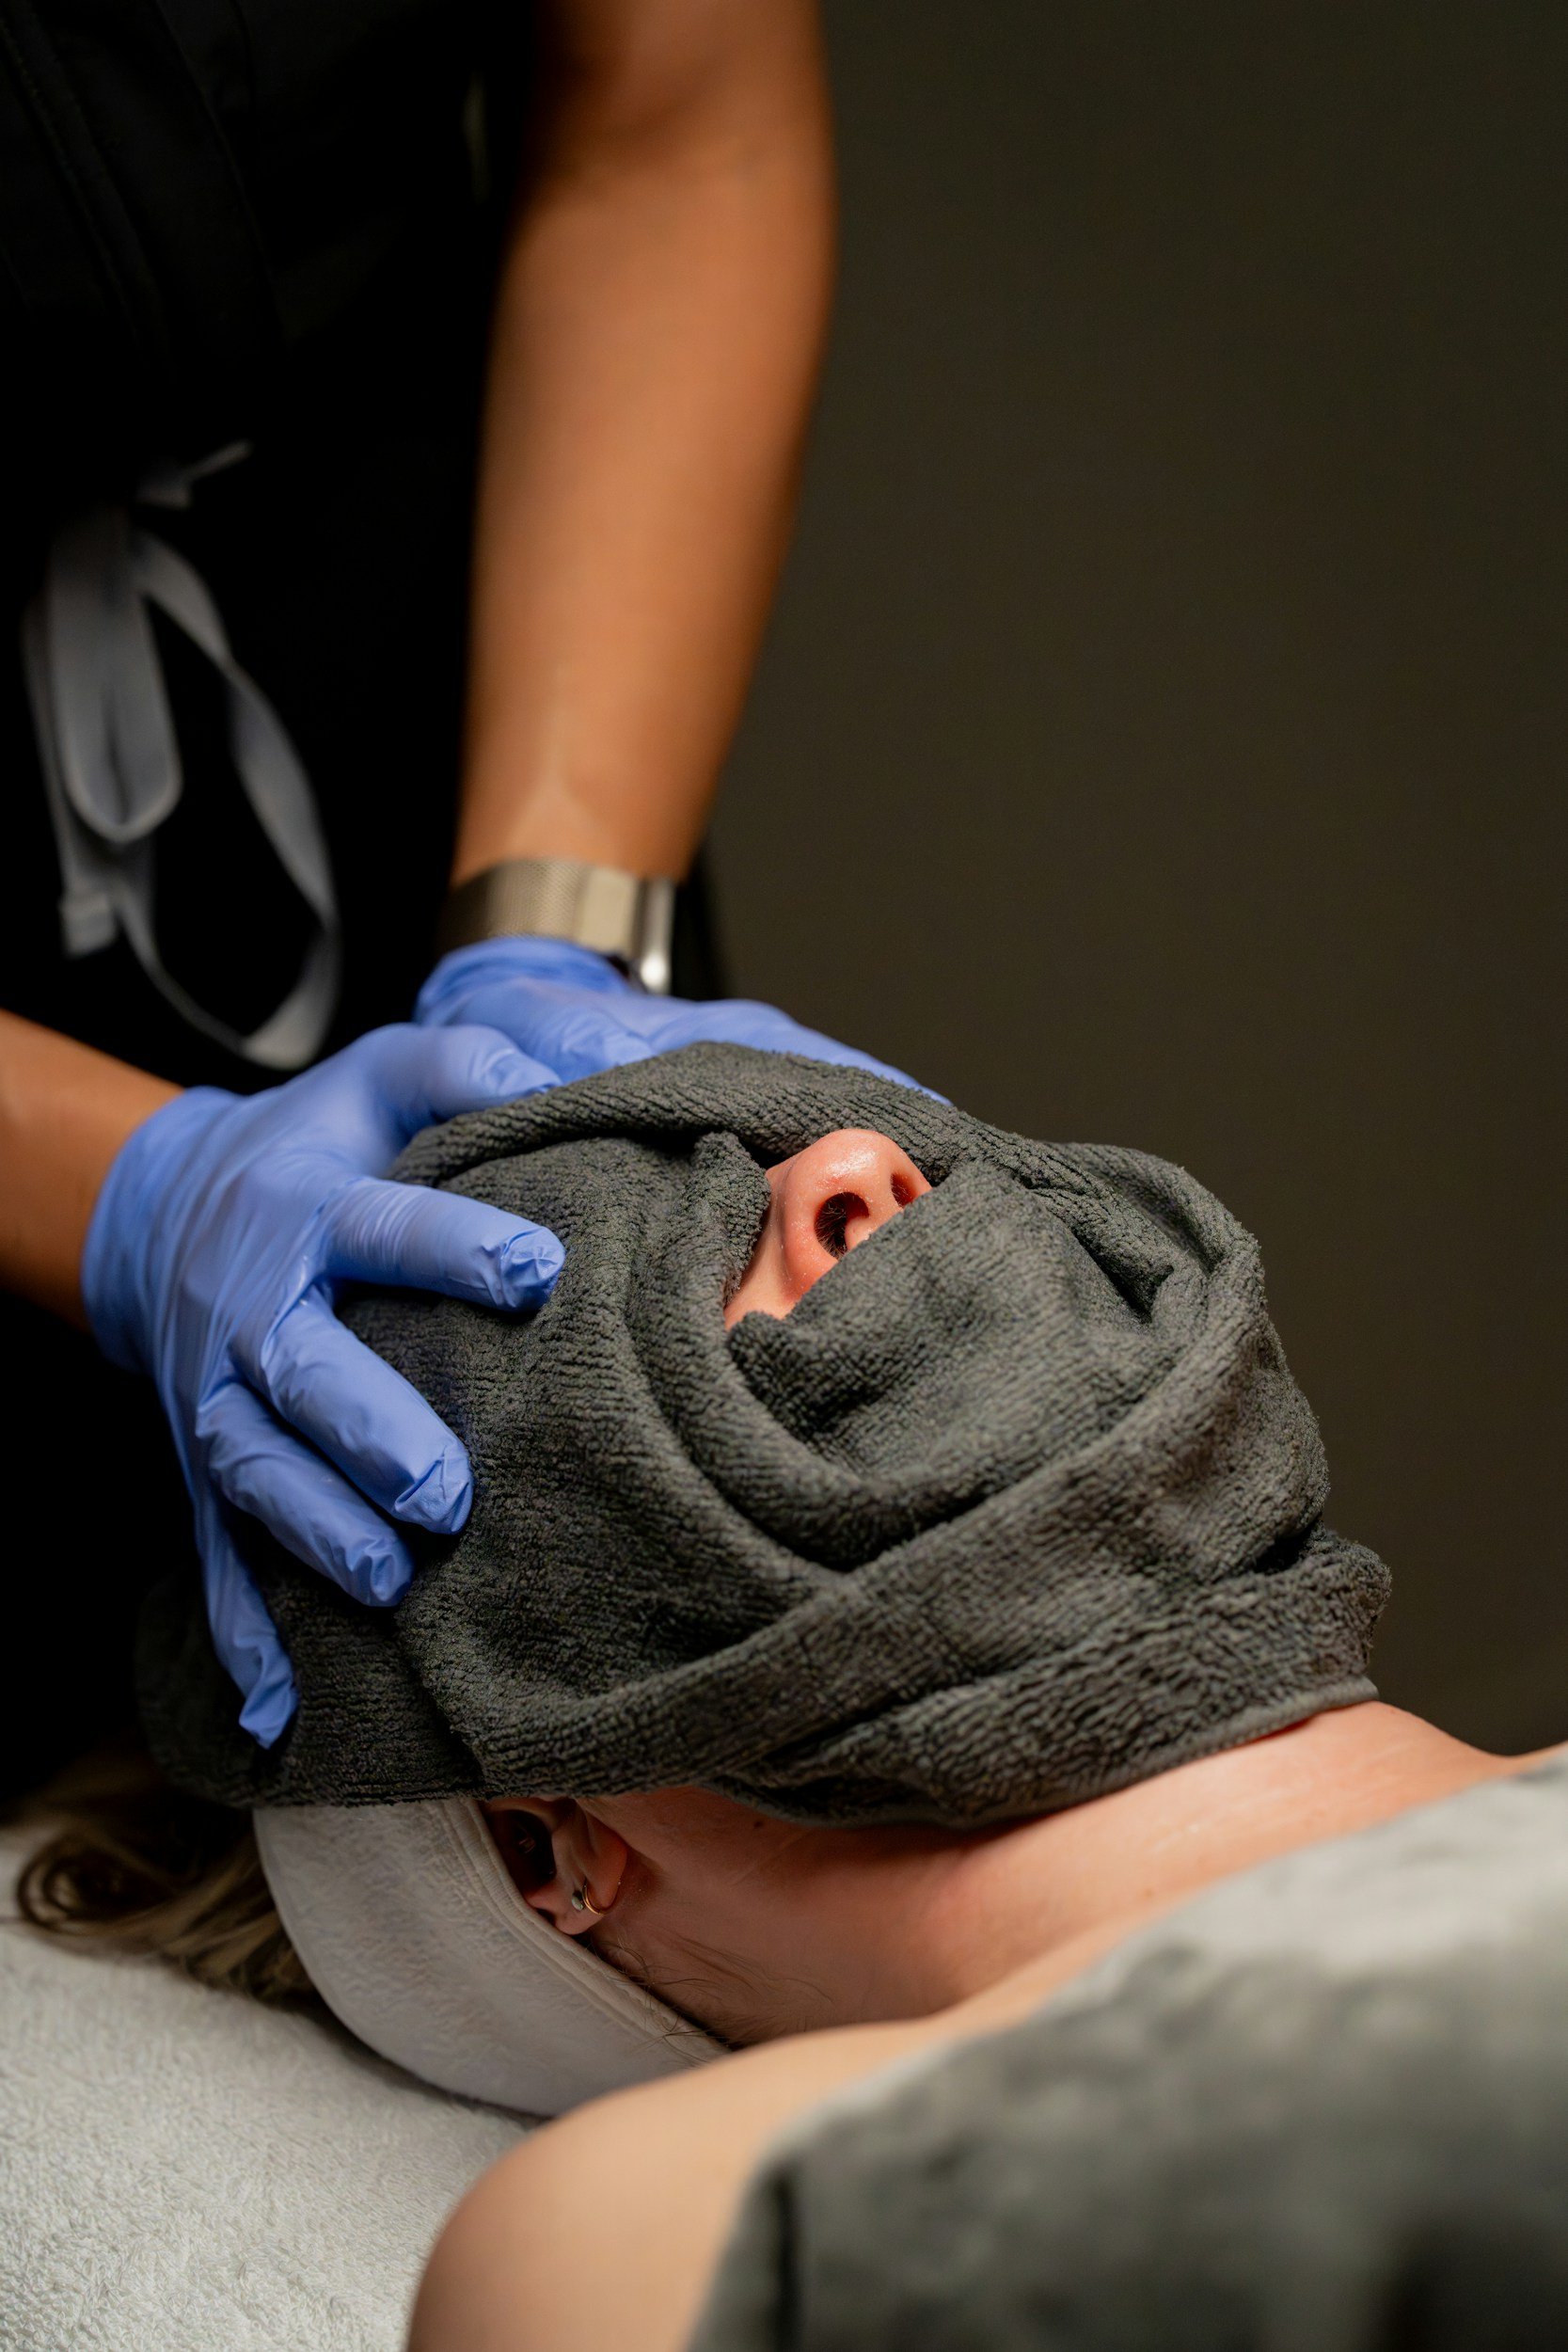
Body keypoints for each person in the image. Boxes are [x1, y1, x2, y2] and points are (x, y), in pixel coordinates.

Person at [1, 0, 910, 1796]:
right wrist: (123, 1195)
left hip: (426, 674)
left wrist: (550, 920)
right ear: (563, 1877)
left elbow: (673, 125)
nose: (861, 1168)